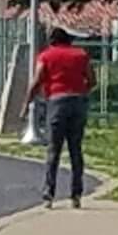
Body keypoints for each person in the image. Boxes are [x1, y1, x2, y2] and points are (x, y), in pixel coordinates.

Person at [26, 26, 94, 208]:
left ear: (52, 41)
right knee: (75, 149)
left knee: (54, 150)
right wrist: (82, 92)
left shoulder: (46, 56)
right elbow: (92, 79)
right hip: (78, 102)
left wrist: (27, 102)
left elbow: (37, 79)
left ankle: (49, 194)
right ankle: (76, 194)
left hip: (56, 101)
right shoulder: (81, 55)